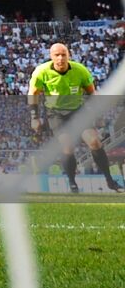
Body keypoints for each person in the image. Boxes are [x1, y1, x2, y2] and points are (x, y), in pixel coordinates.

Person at [28, 42, 122, 193]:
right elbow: (33, 94)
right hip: (56, 114)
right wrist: (34, 117)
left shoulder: (80, 70)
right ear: (51, 57)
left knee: (95, 142)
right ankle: (72, 183)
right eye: (57, 55)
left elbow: (92, 93)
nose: (60, 58)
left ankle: (110, 181)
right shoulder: (41, 72)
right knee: (68, 146)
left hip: (78, 112)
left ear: (69, 55)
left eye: (63, 54)